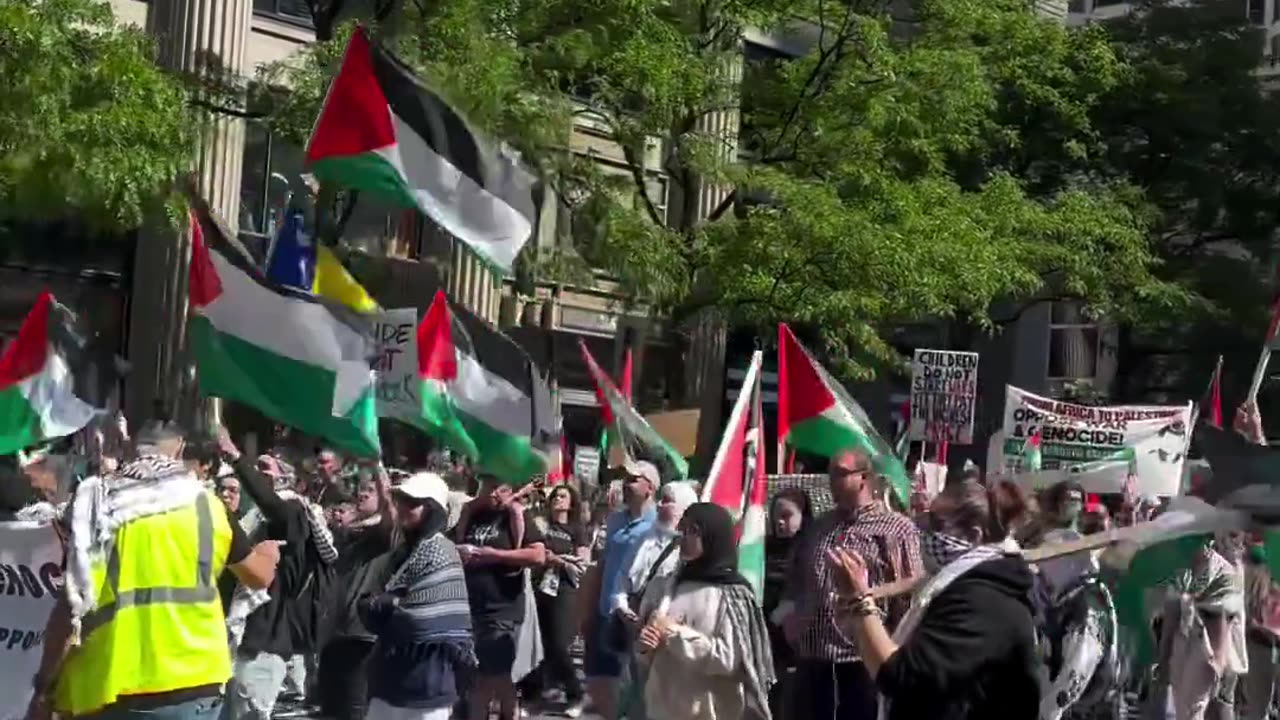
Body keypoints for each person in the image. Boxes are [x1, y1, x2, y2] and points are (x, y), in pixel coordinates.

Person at [27, 421, 281, 720]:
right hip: (197, 681)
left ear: (129, 450)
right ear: (181, 451)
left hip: (110, 685)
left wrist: (44, 685)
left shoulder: (100, 507)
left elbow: (71, 607)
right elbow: (258, 576)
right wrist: (268, 552)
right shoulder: (208, 506)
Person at [826, 478, 1040, 720]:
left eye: (937, 523)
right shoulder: (957, 586)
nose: (924, 530)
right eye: (926, 518)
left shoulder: (985, 602)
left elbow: (899, 676)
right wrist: (857, 620)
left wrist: (860, 599)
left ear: (973, 535)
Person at [775, 449, 923, 720]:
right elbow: (797, 577)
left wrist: (869, 593)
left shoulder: (896, 528)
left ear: (864, 478)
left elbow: (916, 581)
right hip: (813, 658)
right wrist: (789, 616)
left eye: (840, 474)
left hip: (862, 660)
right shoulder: (820, 527)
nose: (831, 481)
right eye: (830, 474)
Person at [217, 429, 339, 720]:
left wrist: (237, 458)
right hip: (240, 636)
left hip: (265, 641)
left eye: (265, 469)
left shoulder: (294, 512)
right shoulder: (255, 518)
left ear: (286, 477)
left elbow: (274, 507)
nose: (259, 475)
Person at [635, 502, 775, 720]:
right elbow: (644, 656)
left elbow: (727, 660)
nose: (684, 536)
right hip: (661, 711)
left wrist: (673, 633)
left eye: (694, 531)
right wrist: (645, 646)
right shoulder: (664, 586)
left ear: (713, 537)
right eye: (683, 528)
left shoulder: (733, 595)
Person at [360, 472, 475, 720]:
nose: (403, 508)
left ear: (432, 510)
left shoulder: (443, 552)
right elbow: (366, 607)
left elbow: (418, 620)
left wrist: (388, 605)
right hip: (387, 681)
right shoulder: (400, 553)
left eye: (413, 503)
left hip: (428, 686)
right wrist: (391, 605)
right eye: (402, 500)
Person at [458, 475, 547, 720]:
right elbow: (452, 543)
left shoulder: (516, 515)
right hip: (470, 605)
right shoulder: (472, 514)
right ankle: (511, 712)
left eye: (502, 487)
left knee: (487, 676)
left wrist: (494, 555)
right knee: (495, 675)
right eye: (490, 486)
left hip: (502, 606)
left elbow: (538, 555)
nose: (495, 493)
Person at [584, 461, 660, 720]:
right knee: (596, 679)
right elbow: (603, 563)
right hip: (605, 611)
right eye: (625, 479)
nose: (625, 484)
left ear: (650, 487)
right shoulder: (616, 519)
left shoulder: (658, 524)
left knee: (631, 685)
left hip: (634, 616)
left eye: (633, 479)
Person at [320, 470, 398, 720]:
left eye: (371, 489)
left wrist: (377, 466)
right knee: (331, 710)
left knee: (355, 710)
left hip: (364, 638)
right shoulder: (351, 531)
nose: (362, 493)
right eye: (361, 488)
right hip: (334, 633)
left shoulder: (387, 533)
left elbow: (389, 510)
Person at [526, 484, 591, 717]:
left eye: (563, 496)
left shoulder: (576, 529)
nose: (558, 499)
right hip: (538, 588)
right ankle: (533, 695)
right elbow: (534, 551)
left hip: (564, 591)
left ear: (571, 503)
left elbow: (582, 562)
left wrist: (556, 559)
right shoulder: (540, 524)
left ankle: (576, 693)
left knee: (559, 644)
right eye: (554, 495)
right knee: (535, 643)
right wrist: (556, 558)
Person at [764, 488, 812, 720]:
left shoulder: (810, 550)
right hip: (765, 638)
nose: (780, 522)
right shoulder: (762, 548)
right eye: (776, 516)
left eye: (787, 515)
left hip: (796, 645)